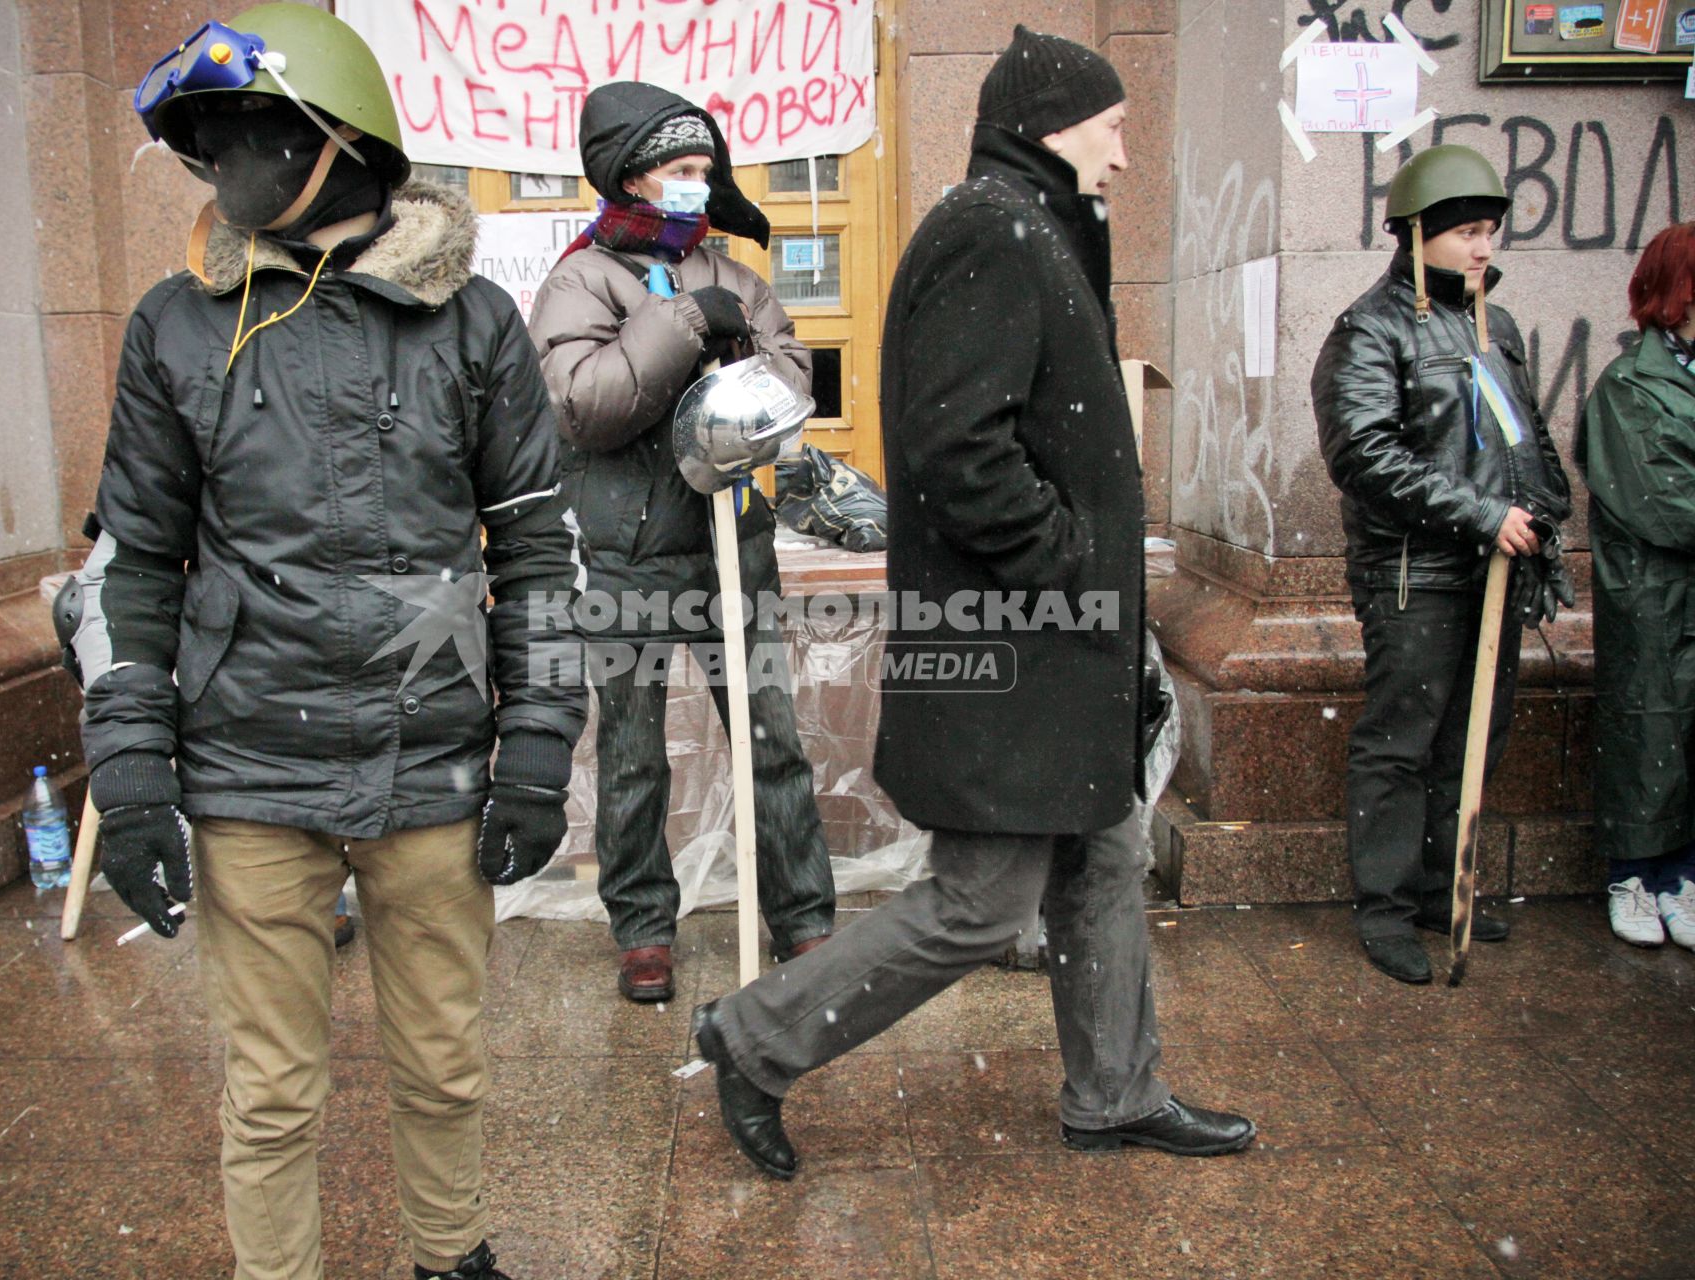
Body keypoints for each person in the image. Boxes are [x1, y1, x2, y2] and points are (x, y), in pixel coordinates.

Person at [57, 8, 585, 1278]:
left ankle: (449, 1253)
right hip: (248, 763)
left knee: (446, 1061)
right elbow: (128, 564)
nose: (222, 161)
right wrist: (126, 769)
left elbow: (540, 555)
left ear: (337, 138)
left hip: (434, 759)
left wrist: (540, 749)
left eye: (247, 129)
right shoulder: (177, 325)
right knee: (273, 1088)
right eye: (208, 140)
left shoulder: (475, 323)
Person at [687, 28, 1255, 1180]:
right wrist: (1067, 563)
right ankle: (756, 1038)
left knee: (1103, 851)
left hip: (1056, 647)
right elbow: (958, 450)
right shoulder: (989, 233)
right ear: (1052, 125)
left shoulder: (1030, 226)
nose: (1127, 158)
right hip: (1014, 644)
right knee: (983, 903)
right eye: (1114, 129)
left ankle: (1114, 1090)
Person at [528, 82, 836, 1004]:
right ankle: (643, 926)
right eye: (680, 169)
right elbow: (585, 406)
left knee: (771, 735)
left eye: (707, 170)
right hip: (624, 551)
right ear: (632, 173)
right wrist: (685, 323)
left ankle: (805, 915)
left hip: (730, 547)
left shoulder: (738, 274)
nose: (698, 187)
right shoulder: (579, 280)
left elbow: (789, 388)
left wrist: (747, 359)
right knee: (631, 749)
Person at [1313, 144, 1572, 984]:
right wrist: (1482, 515)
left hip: (1494, 572)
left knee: (1470, 740)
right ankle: (1384, 908)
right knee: (1401, 742)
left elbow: (1523, 437)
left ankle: (1434, 887)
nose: (1483, 246)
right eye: (1466, 231)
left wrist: (1545, 509)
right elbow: (1365, 455)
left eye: (1491, 230)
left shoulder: (1496, 330)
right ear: (1418, 232)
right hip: (1414, 574)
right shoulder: (1368, 329)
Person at [1579, 222, 1695, 950]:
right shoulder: (1631, 384)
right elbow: (1660, 499)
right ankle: (1636, 874)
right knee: (1650, 729)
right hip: (1653, 594)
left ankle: (1681, 875)